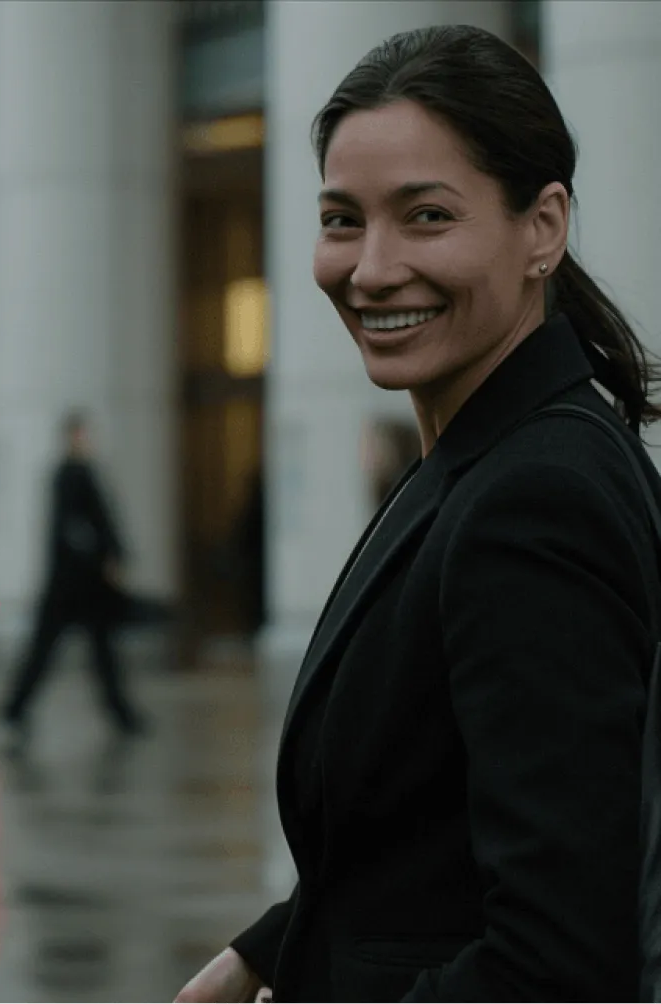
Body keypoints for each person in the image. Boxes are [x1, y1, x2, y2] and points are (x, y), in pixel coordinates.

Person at [175, 23, 661, 1004]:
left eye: (426, 215)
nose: (369, 268)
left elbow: (559, 960)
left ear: (543, 226)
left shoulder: (533, 500)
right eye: (342, 218)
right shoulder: (486, 451)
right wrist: (273, 944)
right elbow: (421, 814)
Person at [0, 411, 148, 747]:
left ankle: (119, 713)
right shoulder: (71, 475)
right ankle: (15, 707)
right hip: (74, 584)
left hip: (78, 583)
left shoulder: (77, 473)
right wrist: (104, 559)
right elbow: (79, 528)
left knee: (97, 652)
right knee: (57, 650)